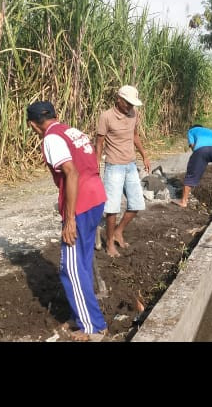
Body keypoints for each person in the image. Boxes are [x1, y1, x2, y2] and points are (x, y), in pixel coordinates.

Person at [27, 100, 108, 341]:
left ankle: (93, 326)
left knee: (71, 270)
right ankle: (83, 316)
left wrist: (70, 218)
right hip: (95, 197)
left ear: (33, 125)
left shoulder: (51, 138)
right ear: (55, 115)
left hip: (80, 204)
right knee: (81, 262)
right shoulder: (72, 131)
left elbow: (71, 172)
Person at [95, 85, 151, 257]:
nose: (130, 106)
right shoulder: (106, 117)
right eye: (128, 103)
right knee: (112, 208)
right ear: (118, 99)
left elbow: (134, 136)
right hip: (114, 166)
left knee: (137, 204)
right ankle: (109, 243)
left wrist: (144, 155)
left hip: (131, 165)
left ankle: (118, 231)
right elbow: (99, 142)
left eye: (132, 104)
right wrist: (97, 164)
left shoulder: (134, 113)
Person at [172, 125, 212, 207]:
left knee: (191, 174)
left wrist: (197, 159)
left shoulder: (191, 131)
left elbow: (193, 146)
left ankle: (184, 201)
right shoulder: (210, 130)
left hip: (201, 150)